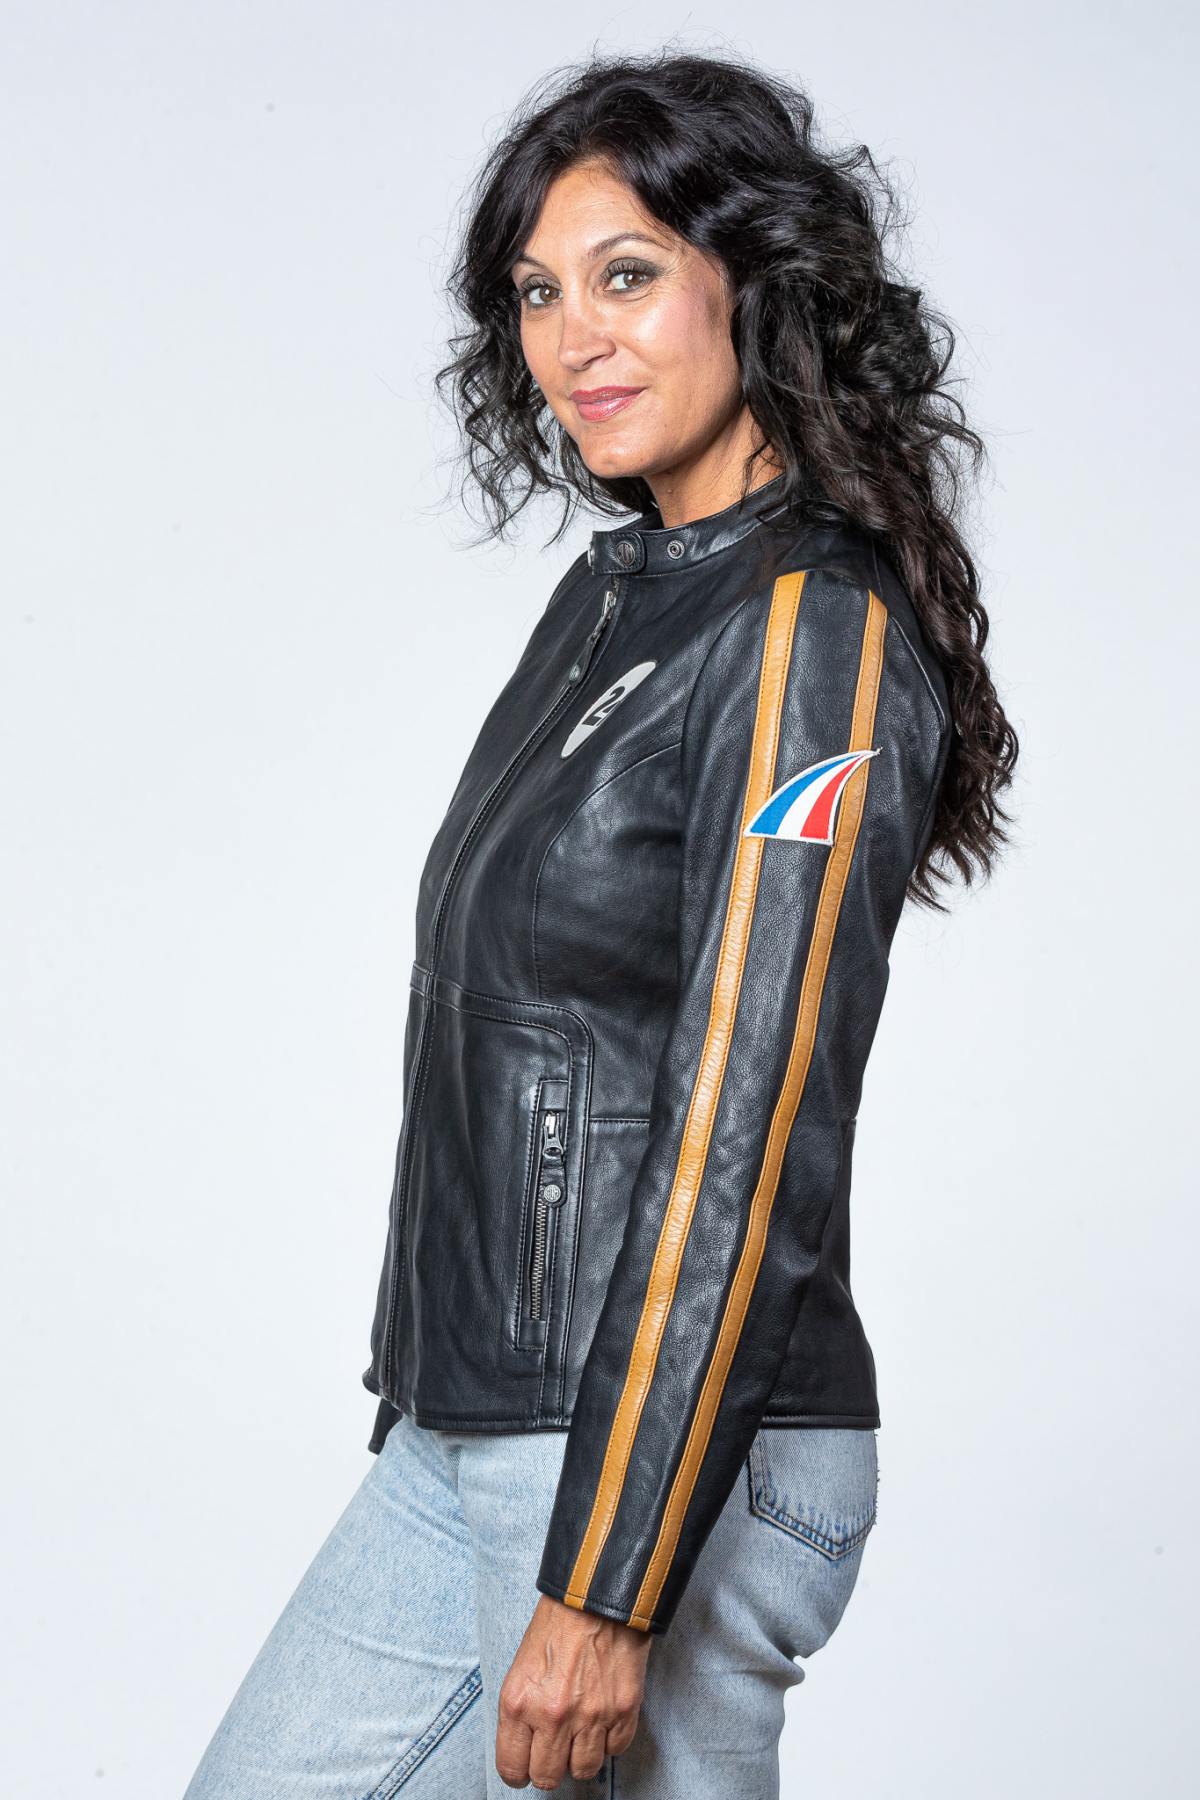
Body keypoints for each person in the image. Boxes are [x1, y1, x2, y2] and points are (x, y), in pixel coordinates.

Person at [183, 47, 1017, 1800]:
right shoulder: (619, 602)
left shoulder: (808, 635)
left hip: (655, 1457)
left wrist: (613, 1581)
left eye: (626, 274)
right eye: (539, 293)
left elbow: (747, 1126)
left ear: (754, 282)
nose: (574, 339)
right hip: (486, 1423)